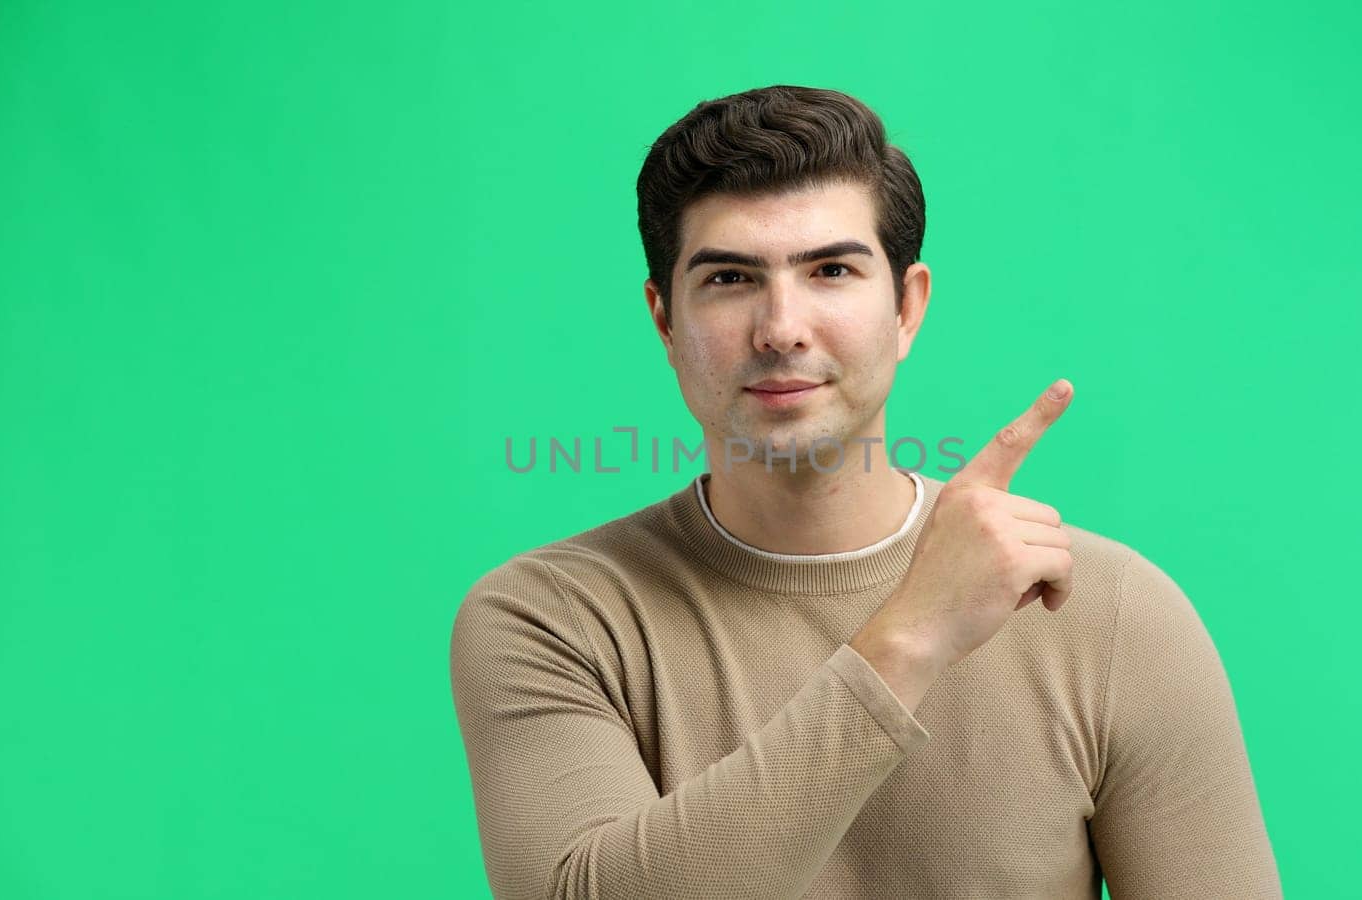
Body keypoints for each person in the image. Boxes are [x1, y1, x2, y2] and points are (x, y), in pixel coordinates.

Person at [449, 84, 1281, 899]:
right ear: (665, 320)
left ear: (907, 308)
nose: (781, 328)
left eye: (831, 270)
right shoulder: (552, 617)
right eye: (731, 279)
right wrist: (909, 638)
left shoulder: (1107, 614)